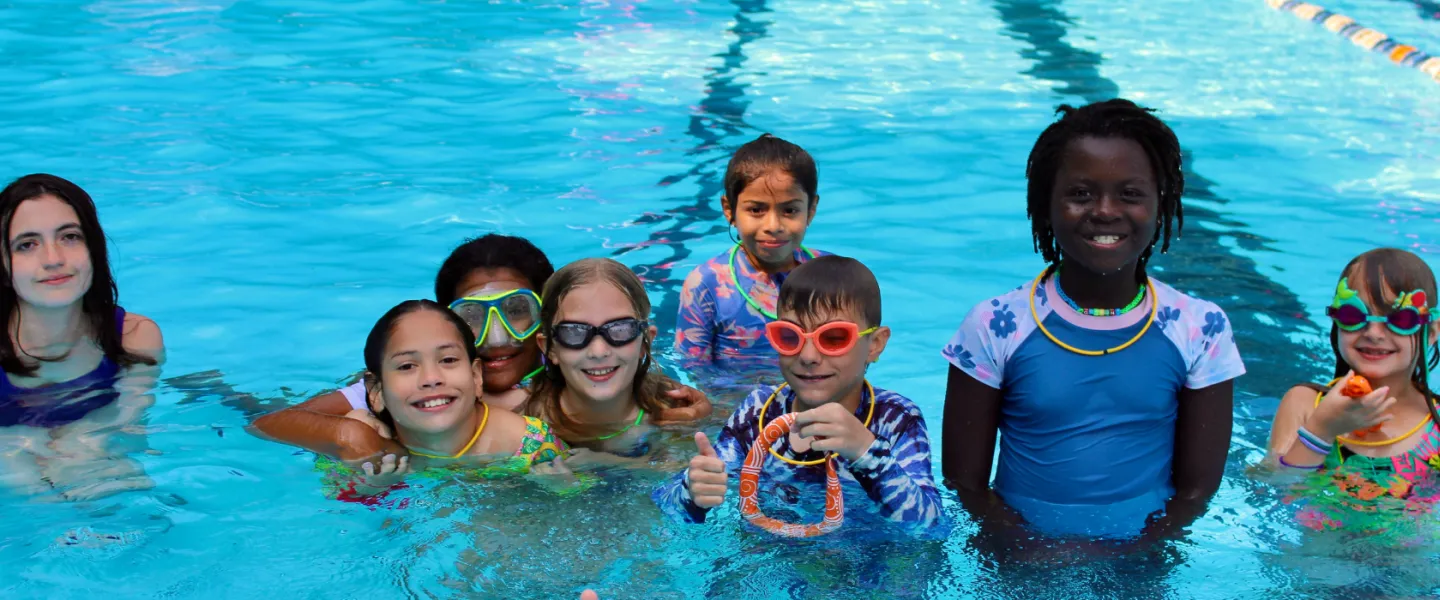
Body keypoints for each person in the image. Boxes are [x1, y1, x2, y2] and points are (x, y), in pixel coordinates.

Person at [940, 99, 1245, 538]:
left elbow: (1196, 493)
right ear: (1045, 204)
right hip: (1023, 559)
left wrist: (1138, 552)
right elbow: (965, 484)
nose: (1105, 210)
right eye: (1080, 193)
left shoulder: (1200, 328)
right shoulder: (994, 323)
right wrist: (1023, 546)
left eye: (1130, 194)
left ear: (1162, 202)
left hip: (1142, 561)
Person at [250, 235, 711, 462]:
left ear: (546, 330)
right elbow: (278, 421)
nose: (495, 338)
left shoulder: (580, 370)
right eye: (472, 318)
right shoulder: (414, 384)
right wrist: (350, 436)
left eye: (517, 311)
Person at [655, 256, 944, 532]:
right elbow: (667, 506)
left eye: (833, 338)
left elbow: (928, 526)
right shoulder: (759, 411)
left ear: (874, 344)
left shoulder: (895, 419)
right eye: (789, 336)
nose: (807, 356)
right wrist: (693, 492)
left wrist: (866, 452)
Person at [0, 174, 164, 499]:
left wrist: (80, 439)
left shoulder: (134, 339)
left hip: (93, 471)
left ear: (93, 247)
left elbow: (130, 429)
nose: (53, 259)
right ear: (3, 265)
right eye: (27, 244)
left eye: (70, 237)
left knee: (123, 482)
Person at [1265, 248, 1440, 536]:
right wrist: (1321, 429)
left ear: (1431, 333)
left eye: (1401, 320)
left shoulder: (1435, 424)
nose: (1373, 332)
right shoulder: (1306, 403)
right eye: (1353, 314)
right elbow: (1274, 489)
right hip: (1318, 571)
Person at [323, 300, 570, 500]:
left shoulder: (528, 443)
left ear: (475, 376)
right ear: (376, 391)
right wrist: (370, 489)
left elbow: (580, 494)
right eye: (407, 365)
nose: (431, 378)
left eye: (448, 360)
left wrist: (562, 489)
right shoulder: (368, 444)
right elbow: (332, 499)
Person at [675, 134, 827, 368]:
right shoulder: (707, 285)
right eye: (756, 210)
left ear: (811, 209)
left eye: (790, 211)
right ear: (729, 210)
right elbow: (693, 370)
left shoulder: (831, 274)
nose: (773, 226)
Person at [525, 258, 683, 458]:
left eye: (620, 329)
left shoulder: (676, 414)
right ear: (549, 349)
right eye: (574, 332)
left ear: (645, 342)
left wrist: (604, 463)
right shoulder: (524, 425)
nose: (598, 352)